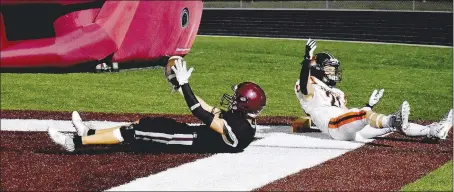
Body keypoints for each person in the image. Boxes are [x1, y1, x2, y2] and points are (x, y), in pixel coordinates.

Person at [48, 57, 267, 152]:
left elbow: (199, 112)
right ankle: (89, 131)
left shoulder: (240, 130)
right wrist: (182, 88)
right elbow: (208, 107)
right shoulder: (243, 119)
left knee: (131, 132)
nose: (231, 100)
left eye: (236, 97)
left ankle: (74, 142)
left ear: (245, 105)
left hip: (184, 140)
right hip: (188, 133)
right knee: (140, 122)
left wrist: (185, 83)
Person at [294, 38, 452, 141]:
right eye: (329, 69)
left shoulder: (338, 93)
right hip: (334, 127)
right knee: (368, 115)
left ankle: (433, 130)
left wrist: (368, 105)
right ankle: (393, 119)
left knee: (391, 125)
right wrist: (307, 59)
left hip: (348, 128)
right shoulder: (310, 84)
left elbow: (348, 115)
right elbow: (305, 83)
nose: (333, 72)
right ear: (317, 69)